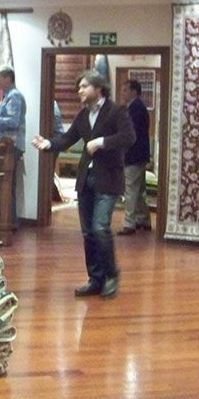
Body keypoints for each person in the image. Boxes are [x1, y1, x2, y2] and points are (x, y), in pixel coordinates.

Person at [32, 69, 135, 299]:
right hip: (85, 179)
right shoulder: (82, 115)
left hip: (108, 178)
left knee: (100, 228)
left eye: (84, 86)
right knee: (88, 232)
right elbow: (68, 138)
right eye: (79, 87)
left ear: (98, 88)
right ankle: (95, 279)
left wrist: (101, 142)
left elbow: (129, 137)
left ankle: (111, 275)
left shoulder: (117, 111)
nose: (80, 90)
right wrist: (48, 143)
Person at [0, 66, 26, 226]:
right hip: (3, 145)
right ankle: (10, 221)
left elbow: (13, 122)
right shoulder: (7, 96)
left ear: (7, 78)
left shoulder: (14, 96)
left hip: (10, 147)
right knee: (5, 185)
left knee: (4, 185)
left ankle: (7, 223)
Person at [118, 79, 152, 234]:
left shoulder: (136, 108)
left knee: (131, 189)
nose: (122, 93)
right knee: (138, 190)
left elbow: (131, 134)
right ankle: (143, 219)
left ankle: (129, 223)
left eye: (125, 90)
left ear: (134, 91)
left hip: (134, 155)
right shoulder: (136, 107)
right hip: (139, 154)